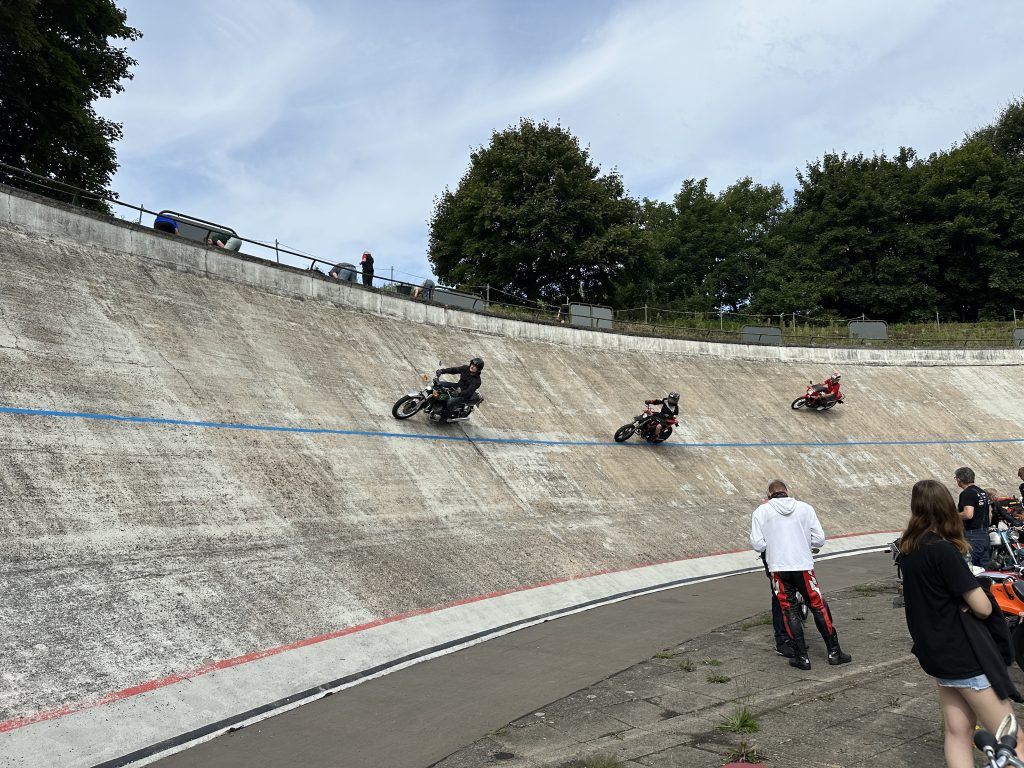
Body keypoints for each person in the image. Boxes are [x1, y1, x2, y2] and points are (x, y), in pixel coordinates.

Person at [898, 478, 1024, 768]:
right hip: (964, 656)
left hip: (937, 654)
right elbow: (982, 607)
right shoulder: (942, 550)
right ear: (947, 507)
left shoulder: (909, 550)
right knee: (1012, 739)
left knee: (958, 732)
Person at [750, 479, 851, 671]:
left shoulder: (761, 512)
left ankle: (801, 657)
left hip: (778, 568)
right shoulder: (805, 508)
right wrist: (803, 543)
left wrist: (774, 545)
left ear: (769, 494)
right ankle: (834, 652)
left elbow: (758, 544)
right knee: (818, 606)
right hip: (803, 565)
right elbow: (819, 539)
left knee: (789, 610)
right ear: (787, 491)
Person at [955, 467, 991, 567]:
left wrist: (951, 515)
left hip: (973, 536)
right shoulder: (982, 492)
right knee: (984, 569)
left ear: (959, 479)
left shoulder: (967, 493)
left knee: (966, 566)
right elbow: (989, 514)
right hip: (985, 534)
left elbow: (968, 514)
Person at [433, 357, 483, 423]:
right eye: (472, 364)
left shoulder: (477, 381)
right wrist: (442, 371)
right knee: (439, 384)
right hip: (457, 387)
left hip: (464, 396)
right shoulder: (465, 368)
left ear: (478, 369)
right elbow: (454, 370)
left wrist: (459, 393)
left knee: (450, 401)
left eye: (475, 366)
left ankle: (445, 417)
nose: (472, 366)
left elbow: (469, 391)